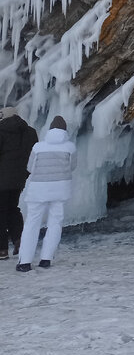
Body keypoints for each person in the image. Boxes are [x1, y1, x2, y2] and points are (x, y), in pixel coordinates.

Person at [16, 115, 75, 272]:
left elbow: (30, 167)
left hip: (38, 189)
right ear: (64, 131)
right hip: (60, 189)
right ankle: (46, 259)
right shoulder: (70, 147)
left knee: (32, 224)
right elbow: (72, 166)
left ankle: (25, 262)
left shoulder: (38, 146)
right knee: (55, 222)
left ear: (49, 130)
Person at [0, 107, 39, 259]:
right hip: (19, 180)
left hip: (1, 180)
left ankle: (2, 250)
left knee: (1, 212)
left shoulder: (1, 131)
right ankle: (20, 240)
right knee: (13, 209)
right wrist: (25, 174)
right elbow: (33, 156)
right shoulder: (31, 132)